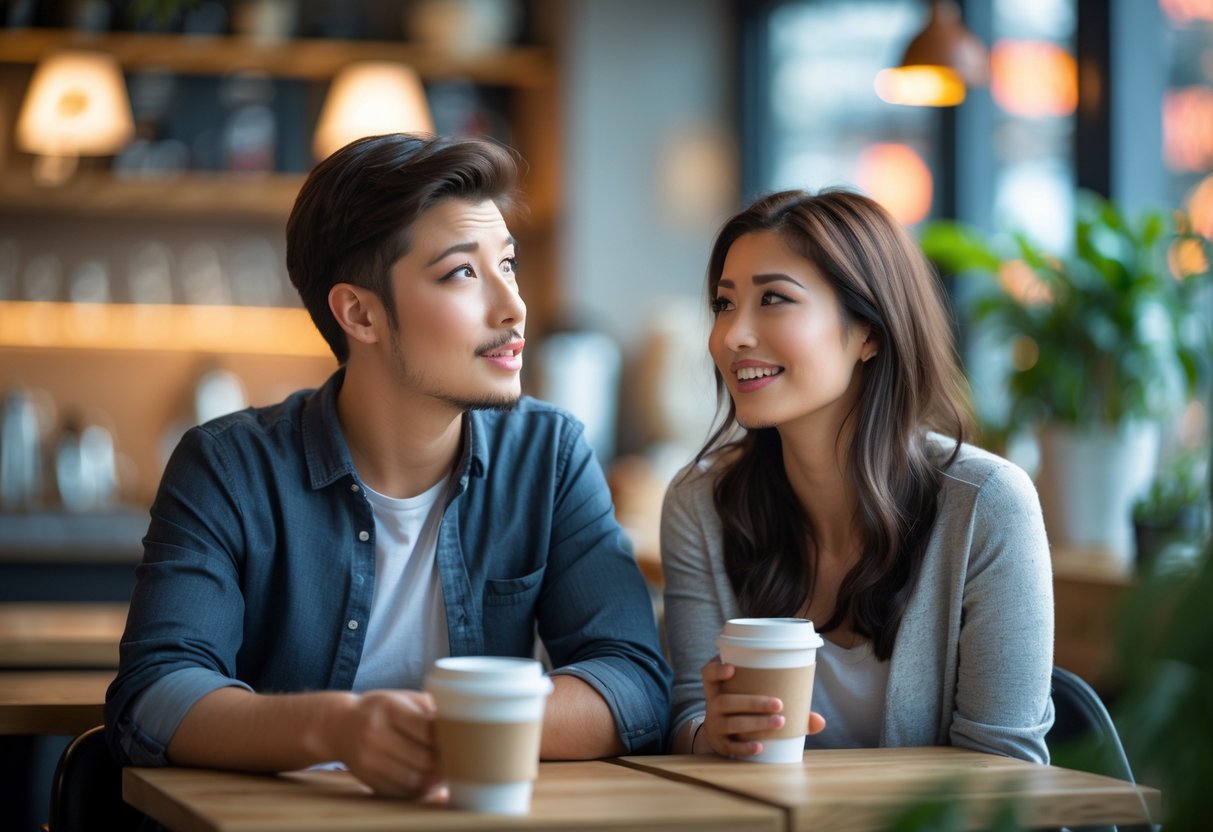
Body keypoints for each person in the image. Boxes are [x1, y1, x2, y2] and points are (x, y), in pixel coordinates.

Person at [105, 133, 671, 798]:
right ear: (360, 313)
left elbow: (633, 682)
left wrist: (458, 727)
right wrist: (339, 729)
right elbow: (155, 694)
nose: (513, 307)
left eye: (508, 265)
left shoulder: (547, 456)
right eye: (463, 272)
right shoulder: (229, 467)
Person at [661, 189, 1053, 763]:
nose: (732, 336)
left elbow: (1003, 771)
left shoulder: (987, 505)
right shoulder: (702, 504)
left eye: (773, 298)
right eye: (724, 304)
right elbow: (687, 713)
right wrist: (708, 734)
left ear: (869, 331)